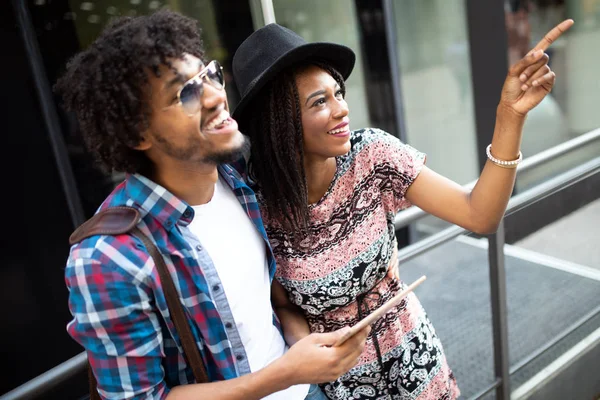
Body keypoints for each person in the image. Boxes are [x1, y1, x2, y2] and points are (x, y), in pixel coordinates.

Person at [231, 20, 574, 399]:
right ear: (279, 123)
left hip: (415, 361)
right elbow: (282, 302)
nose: (341, 109)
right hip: (341, 386)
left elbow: (480, 214)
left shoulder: (373, 155)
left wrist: (510, 116)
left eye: (338, 93)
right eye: (319, 102)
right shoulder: (257, 200)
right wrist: (305, 349)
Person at [56, 10, 370, 400]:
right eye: (184, 93)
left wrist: (304, 350)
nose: (215, 96)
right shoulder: (107, 257)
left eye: (210, 75)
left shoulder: (238, 182)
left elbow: (265, 305)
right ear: (138, 133)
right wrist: (285, 374)